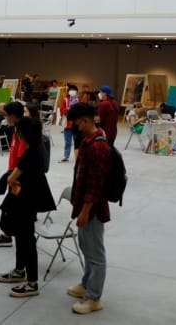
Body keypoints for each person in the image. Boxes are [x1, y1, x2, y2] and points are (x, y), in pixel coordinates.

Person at [0, 116, 56, 298]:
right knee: (23, 239)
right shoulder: (37, 148)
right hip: (28, 201)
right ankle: (19, 271)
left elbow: (11, 178)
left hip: (26, 202)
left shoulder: (31, 154)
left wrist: (11, 179)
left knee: (26, 241)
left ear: (22, 133)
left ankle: (32, 283)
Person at [66, 102, 110, 314]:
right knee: (86, 247)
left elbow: (95, 184)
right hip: (84, 205)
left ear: (85, 121)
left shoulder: (97, 146)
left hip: (93, 209)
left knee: (95, 253)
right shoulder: (88, 141)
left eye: (76, 123)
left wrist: (85, 211)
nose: (74, 127)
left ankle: (94, 298)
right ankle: (86, 284)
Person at [0, 101, 27, 247]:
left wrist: (12, 177)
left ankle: (9, 235)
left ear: (13, 116)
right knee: (10, 208)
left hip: (17, 178)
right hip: (13, 174)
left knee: (9, 208)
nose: (4, 118)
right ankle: (7, 235)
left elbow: (22, 161)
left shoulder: (22, 133)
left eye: (5, 115)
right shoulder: (16, 131)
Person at [59, 85, 80, 162]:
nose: (72, 92)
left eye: (74, 90)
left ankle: (78, 156)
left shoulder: (79, 101)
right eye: (71, 90)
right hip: (67, 125)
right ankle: (66, 156)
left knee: (77, 142)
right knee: (68, 142)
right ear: (68, 92)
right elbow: (61, 111)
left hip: (77, 125)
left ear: (77, 92)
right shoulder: (65, 100)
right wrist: (67, 109)